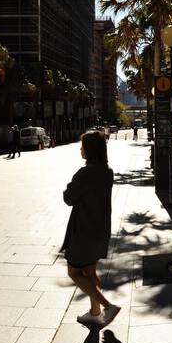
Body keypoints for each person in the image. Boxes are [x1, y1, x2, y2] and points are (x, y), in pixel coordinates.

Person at [64, 130, 119, 329]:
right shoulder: (107, 171)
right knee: (90, 272)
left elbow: (69, 198)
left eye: (83, 146)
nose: (80, 149)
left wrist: (68, 188)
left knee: (74, 272)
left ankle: (108, 306)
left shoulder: (85, 173)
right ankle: (95, 313)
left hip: (84, 231)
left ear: (90, 150)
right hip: (100, 229)